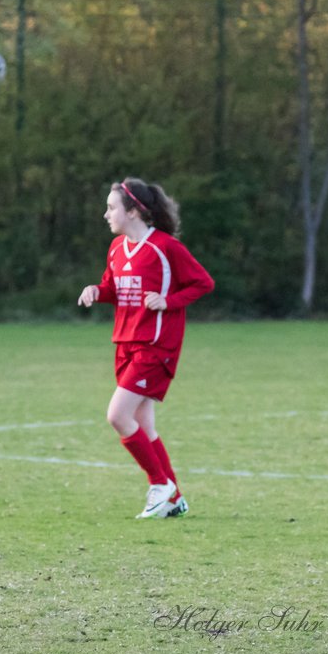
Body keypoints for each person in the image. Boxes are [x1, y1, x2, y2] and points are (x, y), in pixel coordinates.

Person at [78, 177, 214, 518]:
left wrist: (168, 301)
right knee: (144, 423)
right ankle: (173, 496)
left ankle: (159, 485)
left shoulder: (165, 247)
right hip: (124, 343)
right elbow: (115, 287)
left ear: (134, 211)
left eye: (111, 208)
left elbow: (203, 283)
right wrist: (98, 290)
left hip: (155, 346)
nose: (106, 214)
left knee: (117, 415)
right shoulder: (117, 248)